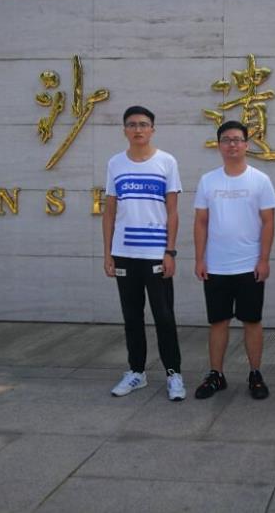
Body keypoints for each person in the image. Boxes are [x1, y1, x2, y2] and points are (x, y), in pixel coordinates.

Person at [103, 105, 185, 401]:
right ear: (124, 130)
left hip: (156, 254)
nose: (138, 129)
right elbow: (109, 212)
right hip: (124, 253)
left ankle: (174, 374)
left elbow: (172, 212)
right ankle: (136, 371)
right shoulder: (115, 163)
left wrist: (170, 252)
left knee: (164, 316)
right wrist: (108, 254)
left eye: (143, 124)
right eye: (132, 124)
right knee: (132, 316)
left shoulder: (166, 162)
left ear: (152, 129)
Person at [193, 120, 275, 399]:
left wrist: (264, 259)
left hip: (249, 265)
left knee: (252, 321)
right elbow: (201, 222)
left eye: (237, 139)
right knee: (218, 322)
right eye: (226, 140)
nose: (232, 144)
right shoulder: (208, 180)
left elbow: (268, 222)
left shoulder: (260, 180)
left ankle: (255, 374)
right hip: (216, 265)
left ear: (246, 144)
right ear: (219, 145)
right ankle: (216, 375)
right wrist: (200, 259)